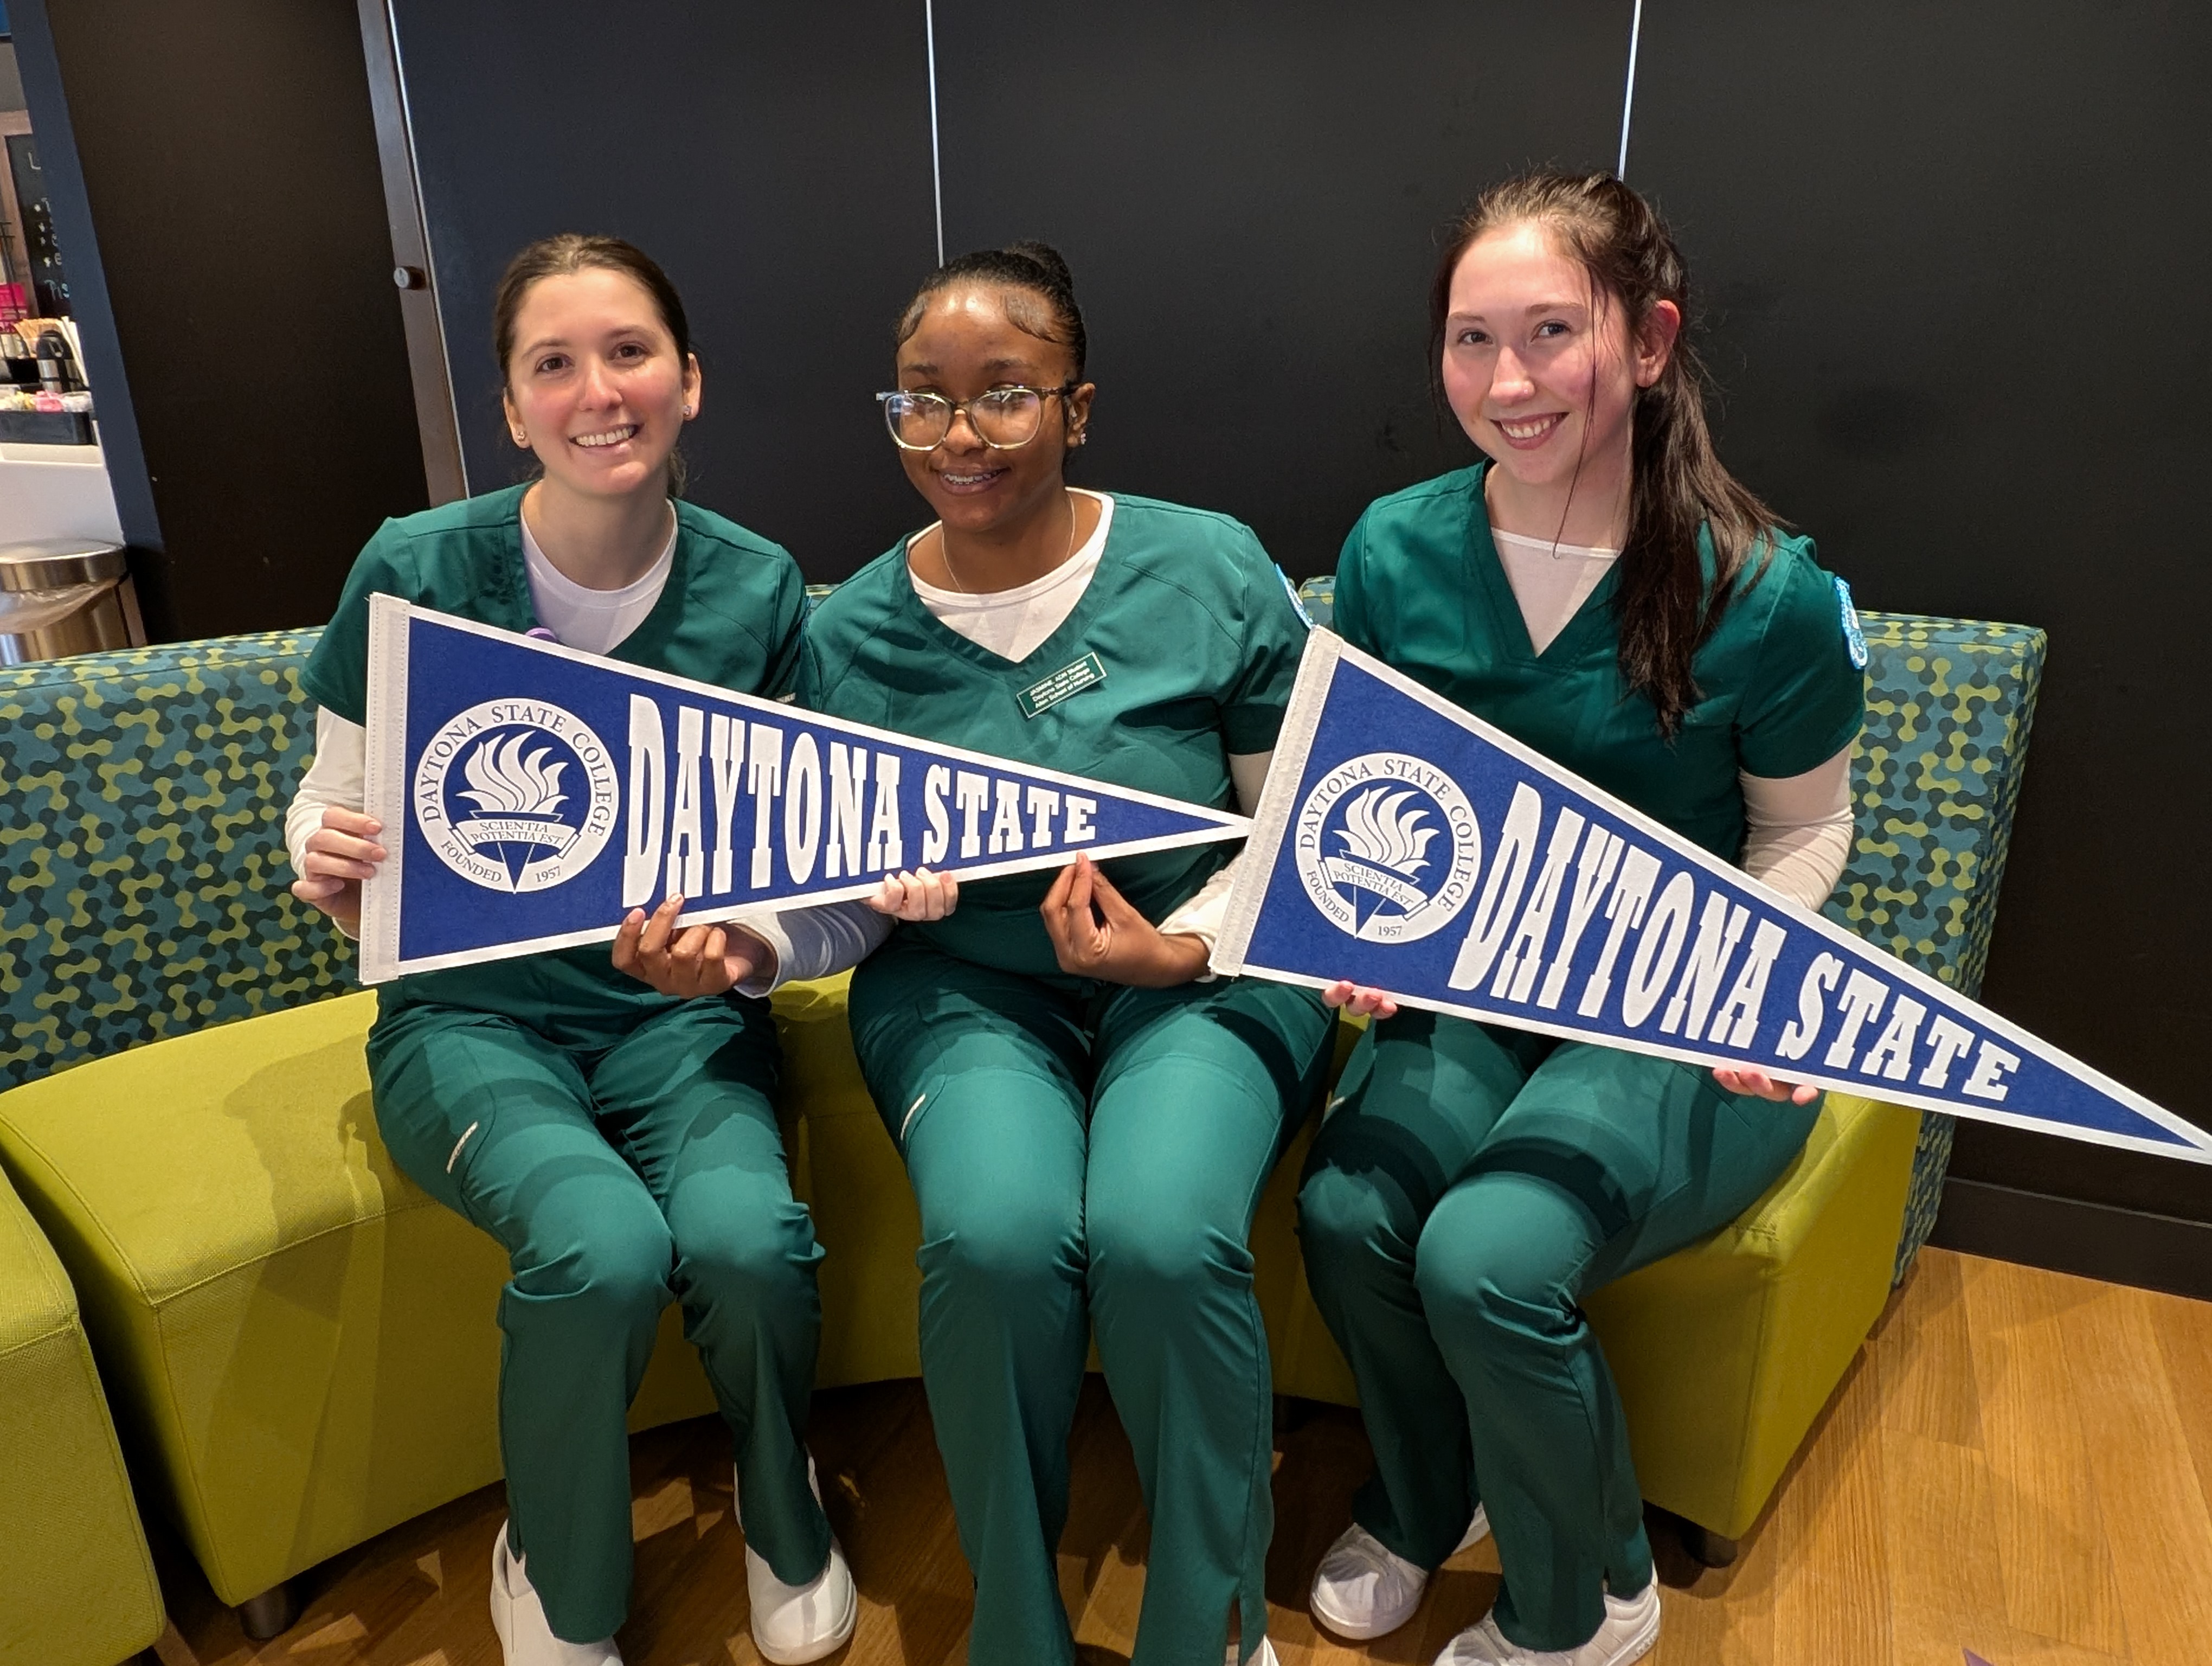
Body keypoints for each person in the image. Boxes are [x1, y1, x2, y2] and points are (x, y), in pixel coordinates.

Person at [288, 233, 940, 1666]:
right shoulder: (415, 567)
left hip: (677, 1026)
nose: (600, 391)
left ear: (690, 380)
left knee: (747, 1240)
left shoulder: (762, 593)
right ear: (512, 407)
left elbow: (809, 873)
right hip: (470, 1025)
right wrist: (323, 859)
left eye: (631, 352)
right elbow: (331, 799)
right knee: (600, 1248)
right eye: (553, 363)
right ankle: (561, 1566)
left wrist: (740, 952)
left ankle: (786, 1505)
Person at [724, 240, 1330, 1666]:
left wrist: (1175, 951)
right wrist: (832, 914)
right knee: (994, 1243)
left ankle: (1212, 1626)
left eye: (1005, 393)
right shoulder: (848, 635)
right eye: (921, 399)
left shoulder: (1208, 564)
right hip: (965, 991)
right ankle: (1017, 1627)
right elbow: (829, 910)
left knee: (1160, 1237)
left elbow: (1306, 839)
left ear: (1078, 405)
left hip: (1207, 965)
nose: (957, 433)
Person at [1295, 172, 1866, 1666]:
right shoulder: (1395, 549)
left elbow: (1807, 834)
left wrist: (1752, 980)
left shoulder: (1766, 590)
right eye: (1472, 338)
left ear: (1653, 338)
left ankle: (1591, 1596)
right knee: (1352, 1212)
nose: (1508, 380)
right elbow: (1360, 796)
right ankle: (1438, 1500)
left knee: (1485, 1254)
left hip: (1673, 1014)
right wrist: (1346, 928)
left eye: (1553, 330)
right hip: (1476, 989)